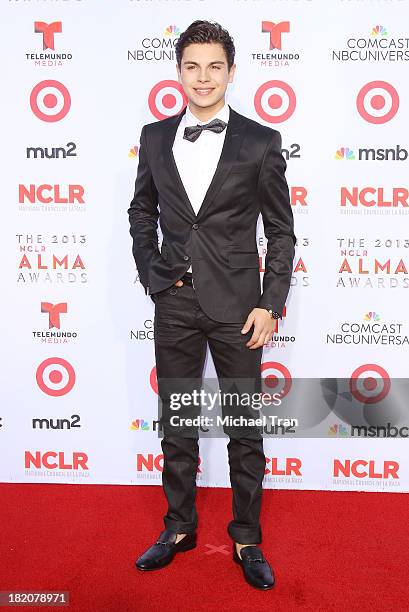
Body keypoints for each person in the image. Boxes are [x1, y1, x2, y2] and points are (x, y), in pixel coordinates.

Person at [127, 19, 296, 590]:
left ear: (231, 71)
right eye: (192, 66)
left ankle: (246, 537)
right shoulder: (154, 137)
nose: (202, 77)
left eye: (214, 66)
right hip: (174, 302)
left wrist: (271, 303)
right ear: (178, 71)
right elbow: (139, 213)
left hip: (239, 308)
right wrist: (153, 276)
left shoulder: (259, 140)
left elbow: (280, 230)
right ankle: (179, 527)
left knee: (244, 425)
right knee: (178, 423)